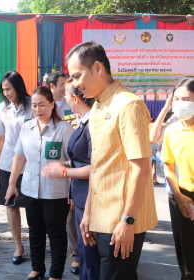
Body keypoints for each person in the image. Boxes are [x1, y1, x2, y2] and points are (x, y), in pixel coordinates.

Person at [67, 41, 158, 280]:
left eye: (77, 75)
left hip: (122, 219)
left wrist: (128, 221)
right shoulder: (97, 107)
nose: (75, 85)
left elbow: (141, 167)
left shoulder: (129, 105)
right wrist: (88, 213)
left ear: (98, 67)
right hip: (101, 216)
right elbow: (98, 167)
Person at [6, 86, 74, 280]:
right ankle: (37, 268)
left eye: (42, 105)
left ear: (52, 104)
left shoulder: (63, 129)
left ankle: (55, 274)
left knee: (56, 233)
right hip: (30, 189)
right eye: (34, 106)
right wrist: (12, 184)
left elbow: (74, 160)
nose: (38, 110)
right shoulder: (26, 127)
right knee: (35, 231)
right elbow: (19, 157)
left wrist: (62, 166)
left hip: (56, 192)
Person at [42, 84, 101, 280]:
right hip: (80, 195)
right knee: (84, 255)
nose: (63, 98)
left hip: (90, 198)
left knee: (90, 257)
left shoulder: (93, 123)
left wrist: (65, 172)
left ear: (76, 98)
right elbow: (80, 158)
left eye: (66, 94)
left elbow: (95, 167)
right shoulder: (83, 121)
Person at [0, 71, 33, 264]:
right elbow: (0, 138)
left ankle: (36, 242)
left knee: (32, 205)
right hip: (8, 162)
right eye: (3, 90)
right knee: (11, 204)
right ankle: (18, 246)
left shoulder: (33, 105)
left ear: (18, 86)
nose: (6, 93)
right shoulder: (2, 109)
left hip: (31, 163)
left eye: (9, 88)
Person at [46, 71, 79, 274]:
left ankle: (76, 254)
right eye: (62, 84)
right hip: (54, 165)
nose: (65, 87)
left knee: (73, 210)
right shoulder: (46, 107)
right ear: (52, 87)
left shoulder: (73, 105)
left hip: (74, 162)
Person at [161, 78, 194, 280]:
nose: (181, 103)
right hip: (182, 197)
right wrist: (179, 197)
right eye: (177, 99)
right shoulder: (172, 130)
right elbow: (168, 166)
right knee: (187, 255)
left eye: (187, 99)